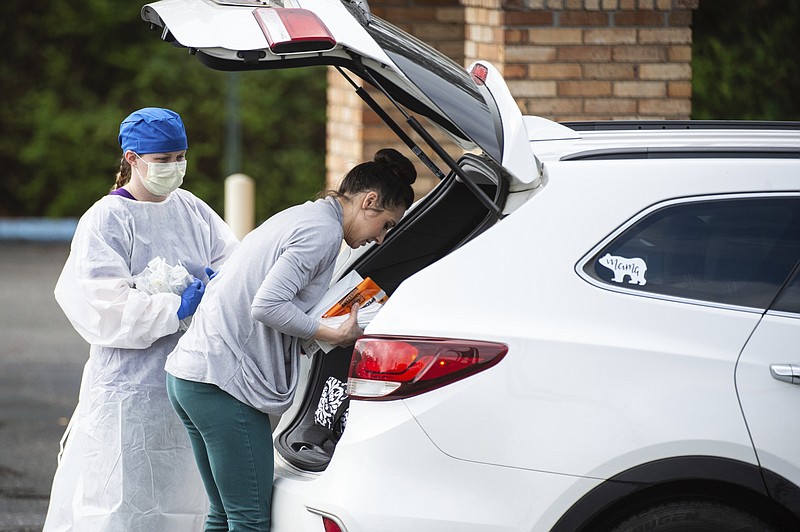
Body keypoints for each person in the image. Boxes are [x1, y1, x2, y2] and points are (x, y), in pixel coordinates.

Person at [165, 148, 417, 531]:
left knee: (223, 515)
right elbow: (266, 305)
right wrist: (330, 332)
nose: (381, 239)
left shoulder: (306, 215)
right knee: (249, 520)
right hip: (221, 383)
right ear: (369, 202)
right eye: (386, 224)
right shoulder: (322, 232)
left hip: (192, 376)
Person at [43, 107, 239, 532]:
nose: (173, 168)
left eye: (179, 157)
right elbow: (100, 303)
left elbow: (233, 261)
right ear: (132, 158)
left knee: (185, 490)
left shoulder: (190, 208)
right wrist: (173, 307)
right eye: (163, 159)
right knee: (118, 495)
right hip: (128, 388)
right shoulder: (107, 218)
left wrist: (220, 284)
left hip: (188, 376)